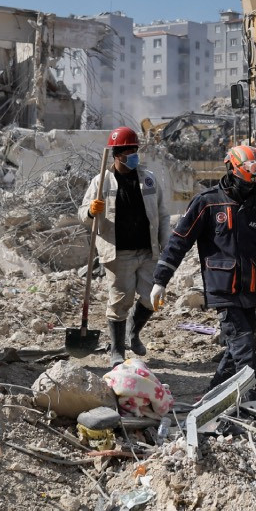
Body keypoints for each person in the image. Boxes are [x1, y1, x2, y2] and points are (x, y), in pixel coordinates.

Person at [151, 144, 256, 399]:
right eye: (251, 171)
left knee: (239, 348)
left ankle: (212, 395)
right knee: (243, 345)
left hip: (249, 288)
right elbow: (179, 241)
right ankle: (254, 399)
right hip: (223, 288)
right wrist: (160, 280)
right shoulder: (208, 203)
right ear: (233, 168)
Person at [79, 126, 169, 366]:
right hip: (118, 252)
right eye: (128, 151)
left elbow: (162, 213)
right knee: (120, 301)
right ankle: (117, 350)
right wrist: (90, 211)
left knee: (153, 297)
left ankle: (134, 333)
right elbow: (82, 214)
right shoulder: (101, 182)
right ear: (117, 154)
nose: (133, 154)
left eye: (135, 150)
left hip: (148, 250)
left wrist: (166, 245)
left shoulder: (148, 179)